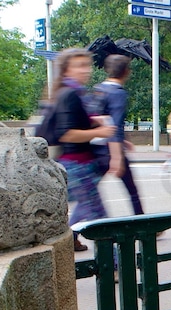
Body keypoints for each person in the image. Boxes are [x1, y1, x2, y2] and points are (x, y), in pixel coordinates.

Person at [51, 47, 116, 251]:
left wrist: (93, 121)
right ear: (66, 70)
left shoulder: (74, 93)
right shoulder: (70, 94)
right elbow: (67, 133)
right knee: (100, 218)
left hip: (80, 164)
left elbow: (74, 124)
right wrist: (100, 132)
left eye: (87, 65)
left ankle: (67, 240)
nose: (86, 70)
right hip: (77, 165)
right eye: (80, 66)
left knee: (86, 208)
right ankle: (115, 267)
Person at [88, 55, 144, 216]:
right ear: (126, 72)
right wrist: (117, 157)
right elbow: (115, 124)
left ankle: (75, 232)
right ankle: (143, 227)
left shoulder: (99, 89)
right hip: (110, 149)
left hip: (95, 147)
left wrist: (124, 140)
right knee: (132, 191)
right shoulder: (118, 93)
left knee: (90, 193)